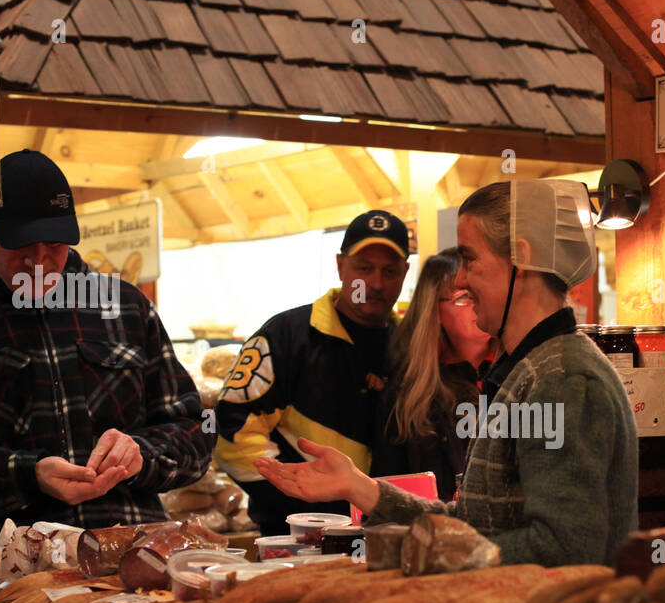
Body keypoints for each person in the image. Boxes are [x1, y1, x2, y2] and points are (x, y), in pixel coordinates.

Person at [254, 180, 639, 566]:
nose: (461, 281)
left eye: (470, 260)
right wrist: (362, 488)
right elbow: (477, 525)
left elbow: (566, 551)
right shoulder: (532, 372)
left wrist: (437, 556)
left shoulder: (562, 381)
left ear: (522, 258)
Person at [0, 149, 213, 590]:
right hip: (12, 571)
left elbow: (197, 434)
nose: (40, 262)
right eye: (21, 247)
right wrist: (27, 474)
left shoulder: (123, 306)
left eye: (55, 246)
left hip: (135, 559)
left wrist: (140, 454)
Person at [214, 209, 410, 535]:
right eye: (364, 268)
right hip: (297, 540)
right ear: (339, 266)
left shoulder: (413, 348)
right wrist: (306, 503)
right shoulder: (286, 336)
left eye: (389, 271)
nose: (376, 283)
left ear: (404, 273)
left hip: (393, 538)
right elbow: (231, 433)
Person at [370, 248, 496, 500]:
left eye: (480, 291)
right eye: (463, 296)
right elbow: (387, 496)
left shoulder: (519, 374)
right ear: (434, 310)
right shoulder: (407, 396)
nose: (477, 303)